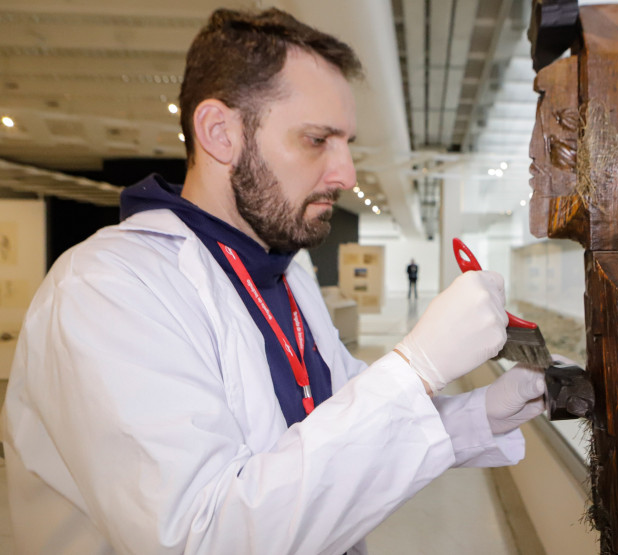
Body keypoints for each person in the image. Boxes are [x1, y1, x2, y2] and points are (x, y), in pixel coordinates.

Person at [1, 9, 547, 554]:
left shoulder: (287, 271)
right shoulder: (106, 289)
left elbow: (335, 426)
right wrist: (416, 368)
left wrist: (478, 414)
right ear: (220, 133)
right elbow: (201, 537)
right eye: (317, 139)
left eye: (347, 143)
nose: (346, 174)